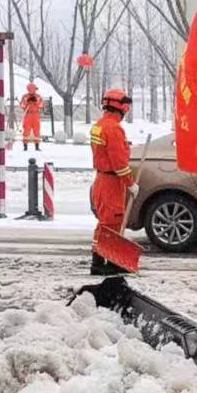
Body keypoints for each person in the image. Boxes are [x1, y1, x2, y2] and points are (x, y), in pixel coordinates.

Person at [87, 87, 136, 276]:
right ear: (121, 108)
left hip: (102, 178)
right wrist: (130, 183)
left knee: (105, 223)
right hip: (111, 182)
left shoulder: (99, 125)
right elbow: (119, 163)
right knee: (111, 222)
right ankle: (107, 262)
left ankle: (99, 260)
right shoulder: (113, 129)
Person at [19, 84, 44, 151]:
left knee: (37, 131)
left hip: (36, 115)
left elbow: (41, 105)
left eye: (35, 89)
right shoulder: (25, 96)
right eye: (34, 89)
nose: (35, 90)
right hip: (28, 115)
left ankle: (37, 146)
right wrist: (27, 101)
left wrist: (36, 102)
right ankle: (25, 146)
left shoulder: (38, 96)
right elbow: (22, 105)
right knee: (26, 130)